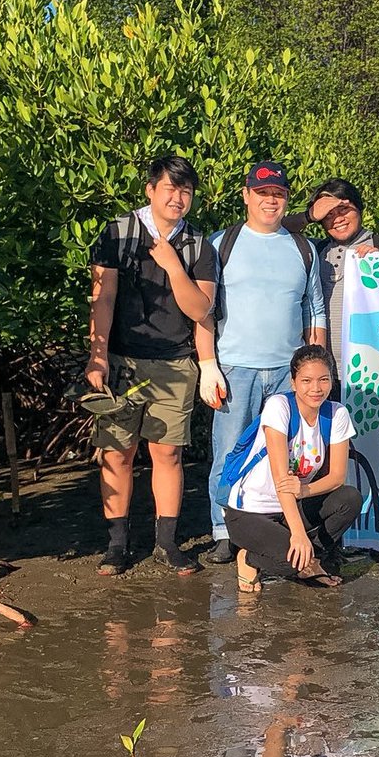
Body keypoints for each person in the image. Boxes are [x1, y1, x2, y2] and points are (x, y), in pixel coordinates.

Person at [85, 155, 217, 576]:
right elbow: (102, 298)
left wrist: (173, 266)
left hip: (176, 363)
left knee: (168, 456)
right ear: (150, 190)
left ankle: (166, 543)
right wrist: (97, 356)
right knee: (117, 454)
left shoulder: (198, 244)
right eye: (170, 189)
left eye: (185, 192)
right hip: (123, 361)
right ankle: (117, 545)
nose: (177, 198)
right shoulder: (117, 233)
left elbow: (201, 308)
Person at [199, 161, 328, 565]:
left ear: (286, 198)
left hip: (288, 374)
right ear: (246, 195)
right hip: (235, 368)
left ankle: (278, 525)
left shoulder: (303, 248)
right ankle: (224, 530)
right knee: (230, 453)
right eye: (262, 193)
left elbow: (316, 311)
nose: (270, 201)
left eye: (278, 194)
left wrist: (315, 366)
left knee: (290, 454)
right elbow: (203, 310)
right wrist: (208, 365)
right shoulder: (222, 243)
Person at [222, 345, 362, 593]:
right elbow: (281, 480)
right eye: (307, 380)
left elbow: (337, 477)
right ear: (293, 382)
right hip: (251, 513)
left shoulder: (337, 413)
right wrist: (298, 534)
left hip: (293, 504)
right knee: (291, 560)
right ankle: (249, 558)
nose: (316, 388)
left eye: (323, 380)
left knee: (349, 498)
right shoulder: (279, 406)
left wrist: (305, 490)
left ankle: (310, 560)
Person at [292, 179, 379, 389]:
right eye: (328, 214)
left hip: (373, 371)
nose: (337, 219)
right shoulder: (316, 250)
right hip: (326, 374)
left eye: (343, 210)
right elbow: (275, 230)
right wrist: (309, 216)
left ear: (359, 208)